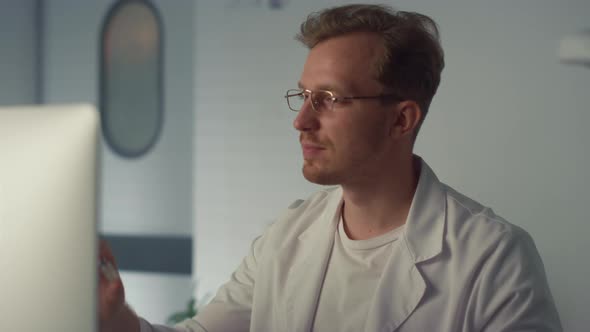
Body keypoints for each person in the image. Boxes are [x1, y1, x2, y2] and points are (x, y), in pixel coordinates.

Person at [99, 4, 562, 332]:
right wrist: (114, 317)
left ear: (401, 119)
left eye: (330, 100)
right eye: (303, 96)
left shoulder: (494, 259)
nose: (301, 121)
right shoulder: (288, 235)